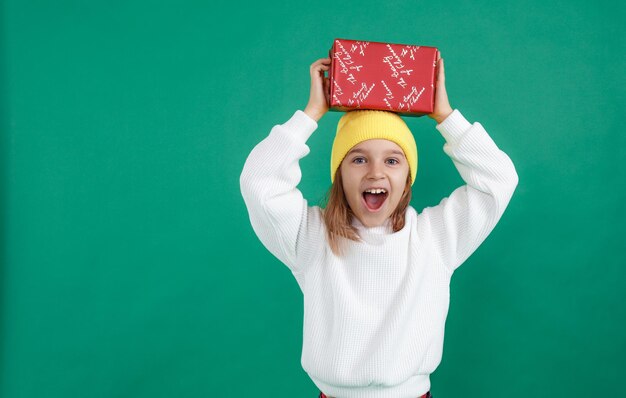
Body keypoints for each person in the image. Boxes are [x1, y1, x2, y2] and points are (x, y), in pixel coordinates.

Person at [240, 52, 518, 398]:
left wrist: (445, 116)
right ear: (339, 174)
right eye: (358, 159)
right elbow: (259, 182)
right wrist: (310, 114)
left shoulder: (436, 238)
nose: (375, 172)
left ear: (407, 177)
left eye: (392, 160)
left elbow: (499, 179)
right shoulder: (311, 237)